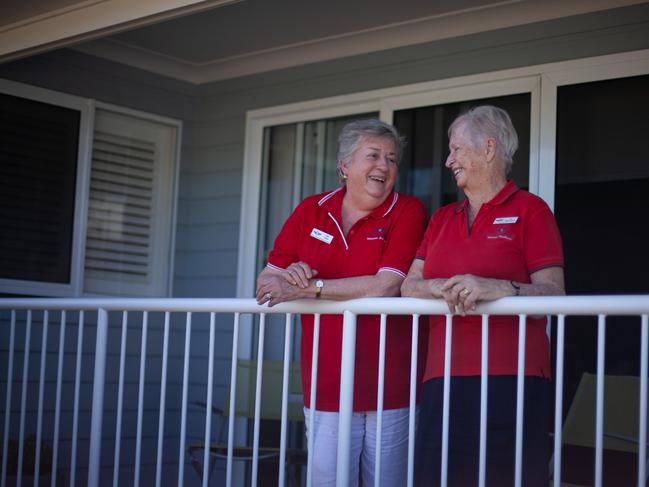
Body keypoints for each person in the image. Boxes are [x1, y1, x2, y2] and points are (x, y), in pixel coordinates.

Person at [256, 119, 426, 486]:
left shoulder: (407, 211)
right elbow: (266, 282)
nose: (384, 165)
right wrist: (288, 277)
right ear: (345, 166)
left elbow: (386, 285)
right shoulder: (311, 210)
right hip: (326, 382)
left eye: (392, 159)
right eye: (374, 155)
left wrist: (311, 287)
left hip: (391, 384)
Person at [401, 105, 565, 487]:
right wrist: (438, 287)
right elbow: (409, 284)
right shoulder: (442, 218)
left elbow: (554, 293)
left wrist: (500, 289)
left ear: (488, 149)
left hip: (514, 379)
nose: (448, 160)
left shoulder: (532, 211)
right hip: (443, 377)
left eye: (456, 149)